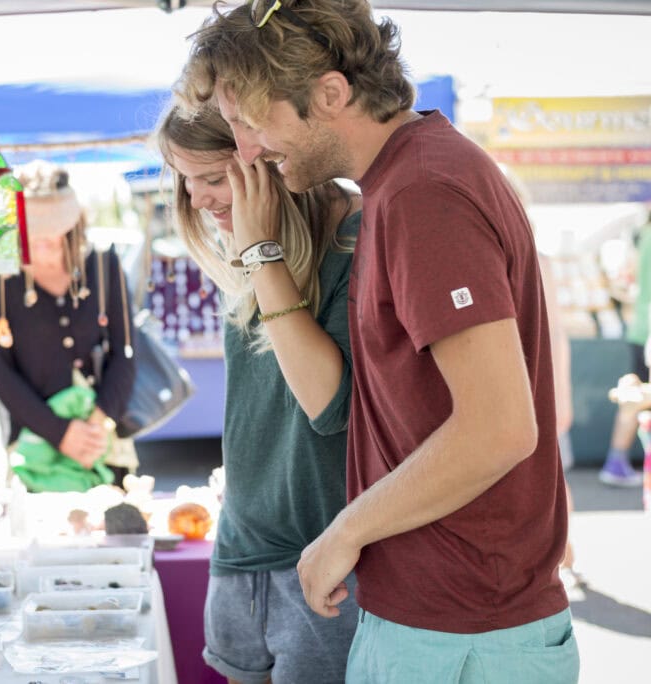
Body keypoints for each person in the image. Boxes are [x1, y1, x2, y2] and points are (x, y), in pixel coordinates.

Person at [179, 1, 578, 681]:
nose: (247, 151)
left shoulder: (424, 190)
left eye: (250, 122)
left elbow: (501, 428)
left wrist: (344, 531)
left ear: (331, 93)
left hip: (458, 633)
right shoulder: (407, 180)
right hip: (445, 624)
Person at [156, 102, 361, 683]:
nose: (197, 199)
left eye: (214, 177)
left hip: (326, 556)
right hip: (241, 547)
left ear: (269, 153)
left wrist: (262, 252)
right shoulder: (237, 248)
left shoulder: (355, 236)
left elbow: (330, 407)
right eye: (185, 180)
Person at [0, 161, 137, 491]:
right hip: (35, 450)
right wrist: (61, 433)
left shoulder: (104, 265)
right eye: (33, 229)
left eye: (54, 227)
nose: (44, 240)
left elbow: (125, 352)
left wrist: (97, 424)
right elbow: (1, 373)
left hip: (103, 443)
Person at [600, 212, 651, 487]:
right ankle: (617, 462)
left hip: (641, 328)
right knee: (635, 397)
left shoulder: (643, 235)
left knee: (635, 397)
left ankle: (617, 461)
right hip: (647, 331)